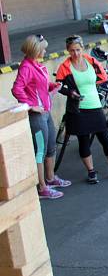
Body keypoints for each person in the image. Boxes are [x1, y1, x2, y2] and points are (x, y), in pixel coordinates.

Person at [56, 35, 108, 184]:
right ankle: (91, 171)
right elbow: (59, 86)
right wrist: (71, 92)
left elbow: (102, 77)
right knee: (83, 141)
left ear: (82, 48)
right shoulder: (65, 66)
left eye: (77, 50)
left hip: (95, 105)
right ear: (68, 51)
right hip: (79, 109)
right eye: (72, 51)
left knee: (105, 138)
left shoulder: (91, 61)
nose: (75, 54)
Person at [12, 35, 71, 199]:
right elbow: (17, 89)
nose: (45, 51)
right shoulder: (26, 67)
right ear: (36, 50)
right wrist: (31, 106)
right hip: (37, 117)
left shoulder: (36, 65)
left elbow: (40, 86)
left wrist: (53, 85)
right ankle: (42, 188)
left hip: (46, 113)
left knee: (51, 147)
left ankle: (50, 179)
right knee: (40, 152)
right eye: (43, 48)